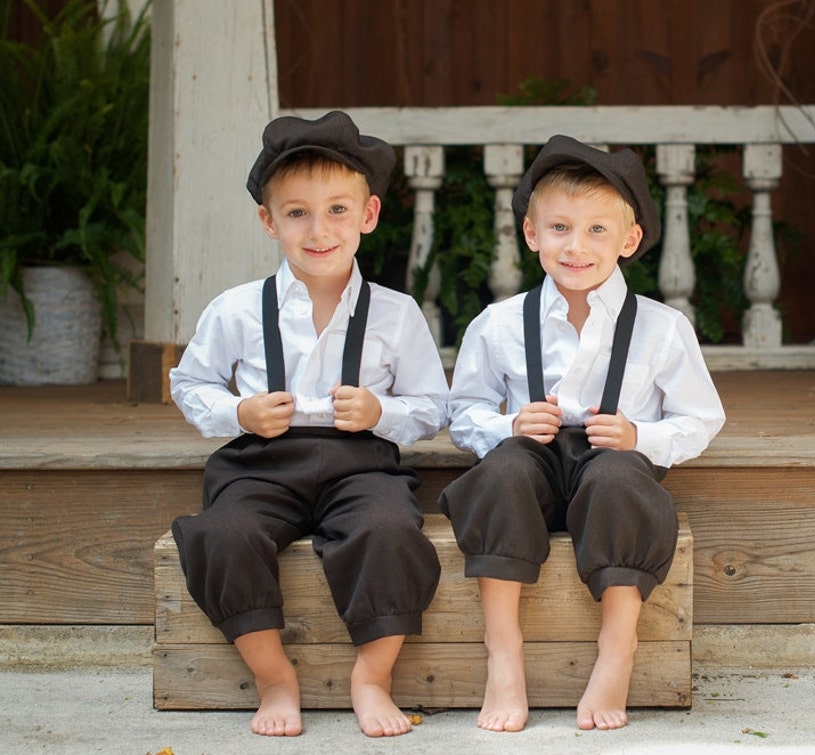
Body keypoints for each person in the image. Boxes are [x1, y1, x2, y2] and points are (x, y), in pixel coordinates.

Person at [169, 111, 447, 739]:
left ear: (368, 216)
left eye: (337, 211)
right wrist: (237, 411)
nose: (319, 230)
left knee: (389, 530)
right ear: (269, 221)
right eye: (296, 213)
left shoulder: (396, 314)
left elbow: (433, 405)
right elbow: (190, 383)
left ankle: (372, 676)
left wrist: (384, 412)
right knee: (223, 533)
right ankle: (274, 676)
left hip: (362, 466)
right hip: (261, 465)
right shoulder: (237, 308)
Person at [439, 134, 725, 733]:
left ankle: (617, 650)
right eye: (560, 227)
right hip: (532, 469)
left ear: (629, 240)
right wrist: (507, 424)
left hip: (613, 469)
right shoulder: (498, 324)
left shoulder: (663, 327)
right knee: (502, 470)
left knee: (620, 478)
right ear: (531, 234)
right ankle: (504, 652)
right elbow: (462, 412)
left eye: (598, 230)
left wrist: (639, 436)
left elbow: (701, 418)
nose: (576, 246)